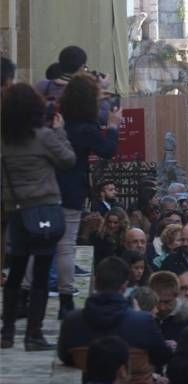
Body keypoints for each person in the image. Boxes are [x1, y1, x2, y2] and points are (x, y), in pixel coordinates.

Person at [1, 83, 76, 350]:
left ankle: (7, 332)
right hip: (44, 209)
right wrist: (60, 131)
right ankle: (34, 335)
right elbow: (68, 160)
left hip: (16, 212)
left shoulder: (4, 140)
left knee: (16, 272)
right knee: (41, 275)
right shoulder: (44, 136)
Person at [55, 72, 121, 317]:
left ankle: (26, 293)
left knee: (38, 243)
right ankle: (65, 300)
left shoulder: (61, 120)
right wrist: (113, 125)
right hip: (71, 187)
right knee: (66, 244)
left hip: (49, 186)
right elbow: (107, 150)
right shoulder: (85, 128)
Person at [58, 256, 171, 384]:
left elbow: (65, 357)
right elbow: (162, 357)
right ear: (124, 286)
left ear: (95, 282)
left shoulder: (72, 321)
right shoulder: (143, 321)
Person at [149, 271, 188, 347]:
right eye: (157, 301)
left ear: (177, 295)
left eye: (167, 302)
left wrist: (179, 347)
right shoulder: (142, 317)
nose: (162, 307)